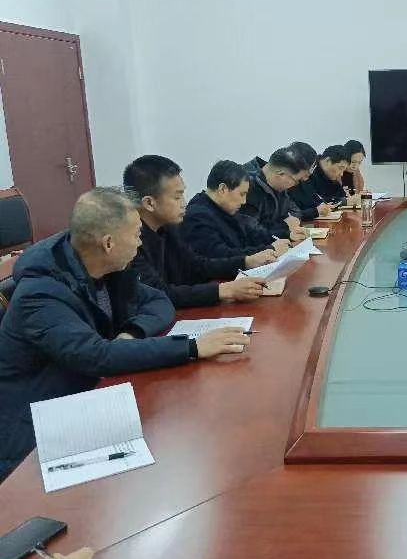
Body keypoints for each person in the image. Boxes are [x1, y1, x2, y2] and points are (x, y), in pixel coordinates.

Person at [0, 188, 250, 479]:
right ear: (108, 243)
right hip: (33, 432)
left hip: (90, 395)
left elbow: (159, 301)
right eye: (135, 234)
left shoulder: (104, 266)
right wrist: (191, 347)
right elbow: (95, 355)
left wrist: (132, 331)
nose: (140, 242)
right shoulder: (40, 294)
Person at [123, 155, 272, 309]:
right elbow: (158, 293)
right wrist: (222, 291)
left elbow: (196, 265)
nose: (184, 203)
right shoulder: (130, 242)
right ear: (149, 203)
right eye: (177, 197)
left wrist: (246, 262)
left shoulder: (168, 227)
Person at [182, 160, 293, 259]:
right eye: (242, 194)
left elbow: (253, 233)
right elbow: (221, 255)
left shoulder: (223, 208)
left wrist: (286, 234)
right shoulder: (197, 216)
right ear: (223, 189)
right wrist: (269, 249)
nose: (244, 201)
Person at [241, 147, 311, 243]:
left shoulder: (279, 188)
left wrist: (288, 228)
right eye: (296, 181)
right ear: (281, 174)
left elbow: (293, 212)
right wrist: (284, 228)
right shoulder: (247, 188)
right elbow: (250, 232)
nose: (295, 185)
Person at [288, 145, 359, 216]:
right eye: (340, 168)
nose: (341, 174)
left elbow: (320, 201)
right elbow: (311, 205)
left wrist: (347, 199)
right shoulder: (309, 173)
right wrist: (344, 201)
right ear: (328, 161)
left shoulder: (329, 175)